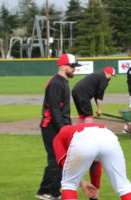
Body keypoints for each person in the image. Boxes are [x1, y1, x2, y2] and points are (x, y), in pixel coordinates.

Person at [36, 54, 81, 200]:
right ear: (63, 66)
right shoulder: (56, 83)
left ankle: (54, 191)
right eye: (72, 66)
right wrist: (63, 128)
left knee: (62, 158)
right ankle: (45, 191)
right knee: (55, 159)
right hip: (51, 126)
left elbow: (62, 109)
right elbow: (54, 109)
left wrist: (67, 126)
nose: (74, 69)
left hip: (59, 125)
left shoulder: (63, 81)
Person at [53, 123, 131, 200]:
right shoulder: (74, 130)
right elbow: (96, 164)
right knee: (123, 186)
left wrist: (82, 183)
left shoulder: (58, 139)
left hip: (83, 137)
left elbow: (64, 163)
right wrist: (95, 188)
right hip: (108, 137)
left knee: (69, 184)